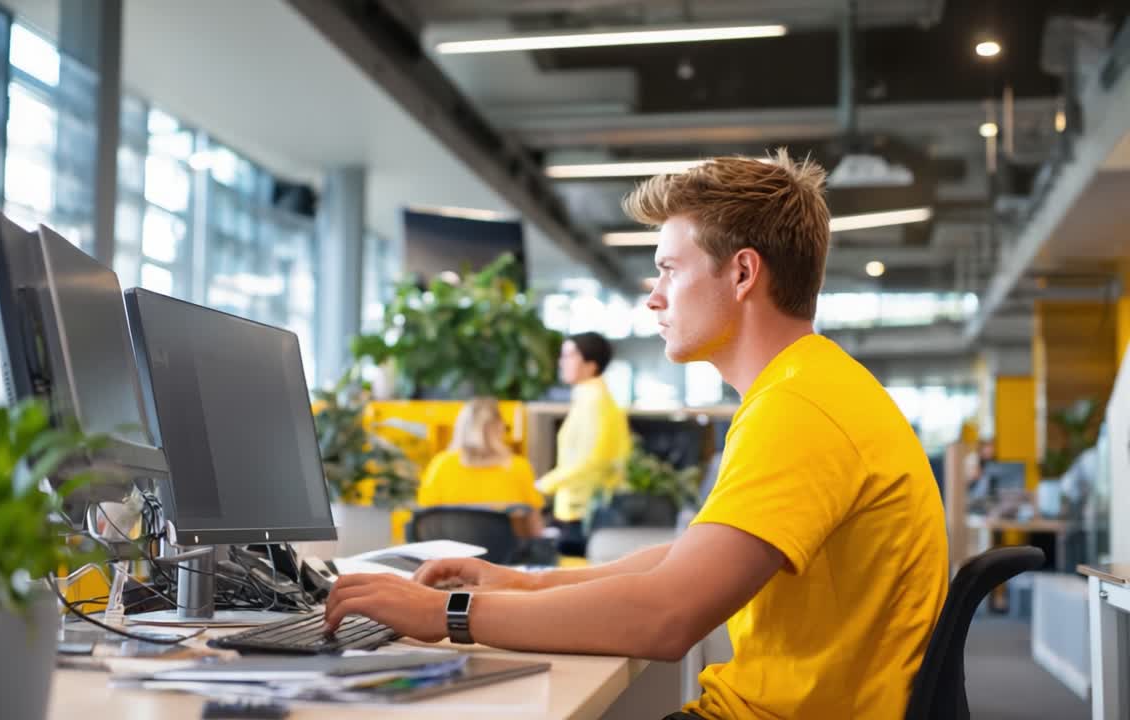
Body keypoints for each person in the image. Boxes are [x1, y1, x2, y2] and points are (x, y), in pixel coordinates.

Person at [323, 151, 949, 720]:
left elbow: (666, 617)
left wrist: (446, 615)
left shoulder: (800, 408)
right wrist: (526, 583)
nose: (653, 297)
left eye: (669, 270)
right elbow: (684, 563)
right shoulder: (810, 387)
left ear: (742, 274)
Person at [536, 331, 632, 556]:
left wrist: (544, 485)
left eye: (570, 355)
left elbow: (592, 460)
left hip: (583, 511)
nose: (562, 362)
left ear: (591, 364)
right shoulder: (592, 397)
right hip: (581, 508)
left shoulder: (594, 401)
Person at [416, 398, 544, 536]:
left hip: (452, 555)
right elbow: (534, 529)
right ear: (499, 427)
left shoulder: (440, 465)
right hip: (504, 556)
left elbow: (425, 522)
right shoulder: (518, 467)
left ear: (460, 428)